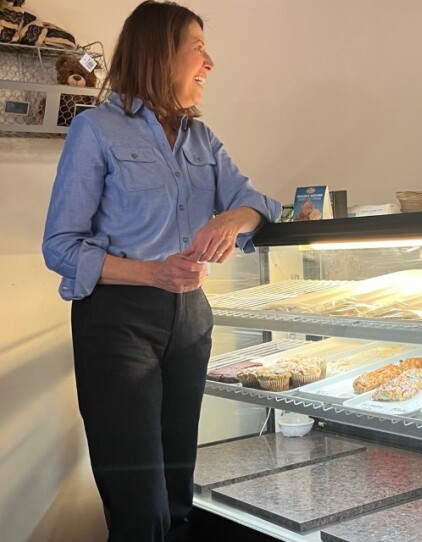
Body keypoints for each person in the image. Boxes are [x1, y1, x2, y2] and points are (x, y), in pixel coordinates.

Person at [41, 2, 282, 540]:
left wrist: (231, 218)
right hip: (118, 323)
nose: (210, 63)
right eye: (198, 48)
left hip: (191, 320)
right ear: (159, 53)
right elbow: (60, 246)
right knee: (138, 504)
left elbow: (260, 203)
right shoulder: (95, 130)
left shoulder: (202, 139)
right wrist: (153, 274)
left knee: (177, 496)